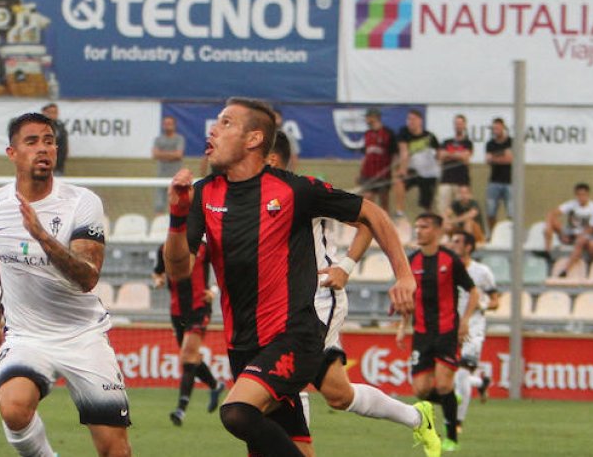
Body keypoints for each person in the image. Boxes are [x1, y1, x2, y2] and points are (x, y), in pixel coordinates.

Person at [162, 98, 437, 457]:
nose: (212, 129)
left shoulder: (294, 190)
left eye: (226, 123)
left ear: (254, 139)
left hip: (295, 336)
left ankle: (417, 418)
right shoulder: (204, 194)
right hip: (243, 344)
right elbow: (179, 270)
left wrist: (403, 276)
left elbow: (372, 213)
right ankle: (414, 418)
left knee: (237, 413)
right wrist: (177, 217)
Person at [266, 133, 441, 456]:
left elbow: (368, 219)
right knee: (338, 395)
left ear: (272, 159)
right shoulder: (249, 196)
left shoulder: (305, 190)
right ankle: (418, 417)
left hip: (318, 297)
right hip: (279, 304)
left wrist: (345, 266)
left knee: (284, 378)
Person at [0, 112, 131, 457]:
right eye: (32, 142)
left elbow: (88, 277)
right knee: (13, 406)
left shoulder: (82, 202)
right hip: (27, 336)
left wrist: (42, 237)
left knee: (114, 450)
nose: (43, 148)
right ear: (12, 153)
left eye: (49, 141)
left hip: (83, 335)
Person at [397, 213, 478, 453]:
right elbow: (407, 296)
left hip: (447, 331)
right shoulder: (411, 261)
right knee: (420, 390)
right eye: (417, 226)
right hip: (421, 333)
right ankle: (450, 399)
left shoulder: (450, 259)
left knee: (443, 384)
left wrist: (464, 322)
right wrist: (403, 326)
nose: (419, 230)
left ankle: (451, 437)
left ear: (438, 231)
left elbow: (473, 292)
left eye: (424, 227)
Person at [151, 242, 224, 426]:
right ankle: (215, 385)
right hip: (177, 312)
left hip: (199, 309)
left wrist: (214, 291)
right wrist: (158, 280)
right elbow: (158, 271)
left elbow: (222, 268)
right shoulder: (165, 248)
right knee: (191, 359)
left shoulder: (204, 247)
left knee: (187, 357)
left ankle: (180, 410)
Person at [447, 230, 497, 439]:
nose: (453, 244)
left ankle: (457, 423)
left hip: (474, 328)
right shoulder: (448, 269)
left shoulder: (482, 271)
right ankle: (482, 382)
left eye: (457, 241)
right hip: (451, 326)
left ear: (468, 247)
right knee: (448, 376)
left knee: (461, 374)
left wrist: (481, 304)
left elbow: (495, 301)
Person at [393, 109, 441, 218]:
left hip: (428, 172)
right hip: (413, 169)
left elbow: (438, 154)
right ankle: (399, 211)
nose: (410, 122)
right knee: (399, 181)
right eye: (409, 119)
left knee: (426, 203)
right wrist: (402, 169)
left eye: (413, 119)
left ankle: (429, 218)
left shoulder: (430, 137)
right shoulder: (404, 132)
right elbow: (403, 151)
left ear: (420, 121)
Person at [544, 183, 593, 262]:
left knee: (585, 238)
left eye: (583, 195)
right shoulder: (571, 204)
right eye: (578, 195)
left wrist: (576, 236)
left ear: (588, 195)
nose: (581, 197)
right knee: (550, 220)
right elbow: (553, 213)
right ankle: (547, 252)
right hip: (569, 233)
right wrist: (561, 233)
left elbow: (592, 228)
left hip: (584, 236)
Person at [358, 108, 398, 212]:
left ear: (375, 117)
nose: (366, 120)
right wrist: (360, 173)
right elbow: (365, 154)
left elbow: (395, 153)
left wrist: (394, 171)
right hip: (368, 173)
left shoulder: (388, 133)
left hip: (383, 173)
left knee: (384, 201)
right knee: (367, 199)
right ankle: (368, 224)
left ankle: (385, 224)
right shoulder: (367, 134)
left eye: (368, 117)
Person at [437, 115, 474, 219]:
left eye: (461, 123)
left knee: (460, 212)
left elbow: (465, 157)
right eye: (457, 123)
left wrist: (449, 154)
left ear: (465, 125)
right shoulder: (446, 142)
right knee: (443, 211)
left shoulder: (468, 143)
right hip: (446, 180)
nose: (458, 126)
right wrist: (458, 154)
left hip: (462, 182)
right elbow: (441, 156)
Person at [484, 118, 514, 232]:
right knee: (491, 211)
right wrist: (502, 155)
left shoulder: (511, 142)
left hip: (509, 182)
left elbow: (509, 159)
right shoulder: (490, 144)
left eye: (498, 127)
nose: (496, 130)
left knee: (511, 212)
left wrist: (494, 158)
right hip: (494, 181)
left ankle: (511, 235)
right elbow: (487, 160)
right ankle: (492, 234)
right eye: (494, 128)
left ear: (503, 128)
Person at [152, 116, 186, 214]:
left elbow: (179, 155)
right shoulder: (158, 140)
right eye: (166, 124)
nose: (168, 126)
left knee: (177, 204)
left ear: (174, 125)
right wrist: (172, 154)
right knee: (159, 205)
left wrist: (162, 154)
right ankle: (159, 227)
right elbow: (155, 154)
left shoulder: (179, 139)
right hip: (161, 177)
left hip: (176, 178)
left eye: (170, 124)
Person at [41, 103, 69, 175]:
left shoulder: (60, 126)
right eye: (51, 112)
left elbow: (64, 143)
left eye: (55, 112)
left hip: (59, 165)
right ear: (44, 113)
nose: (54, 115)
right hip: (43, 164)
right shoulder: (40, 127)